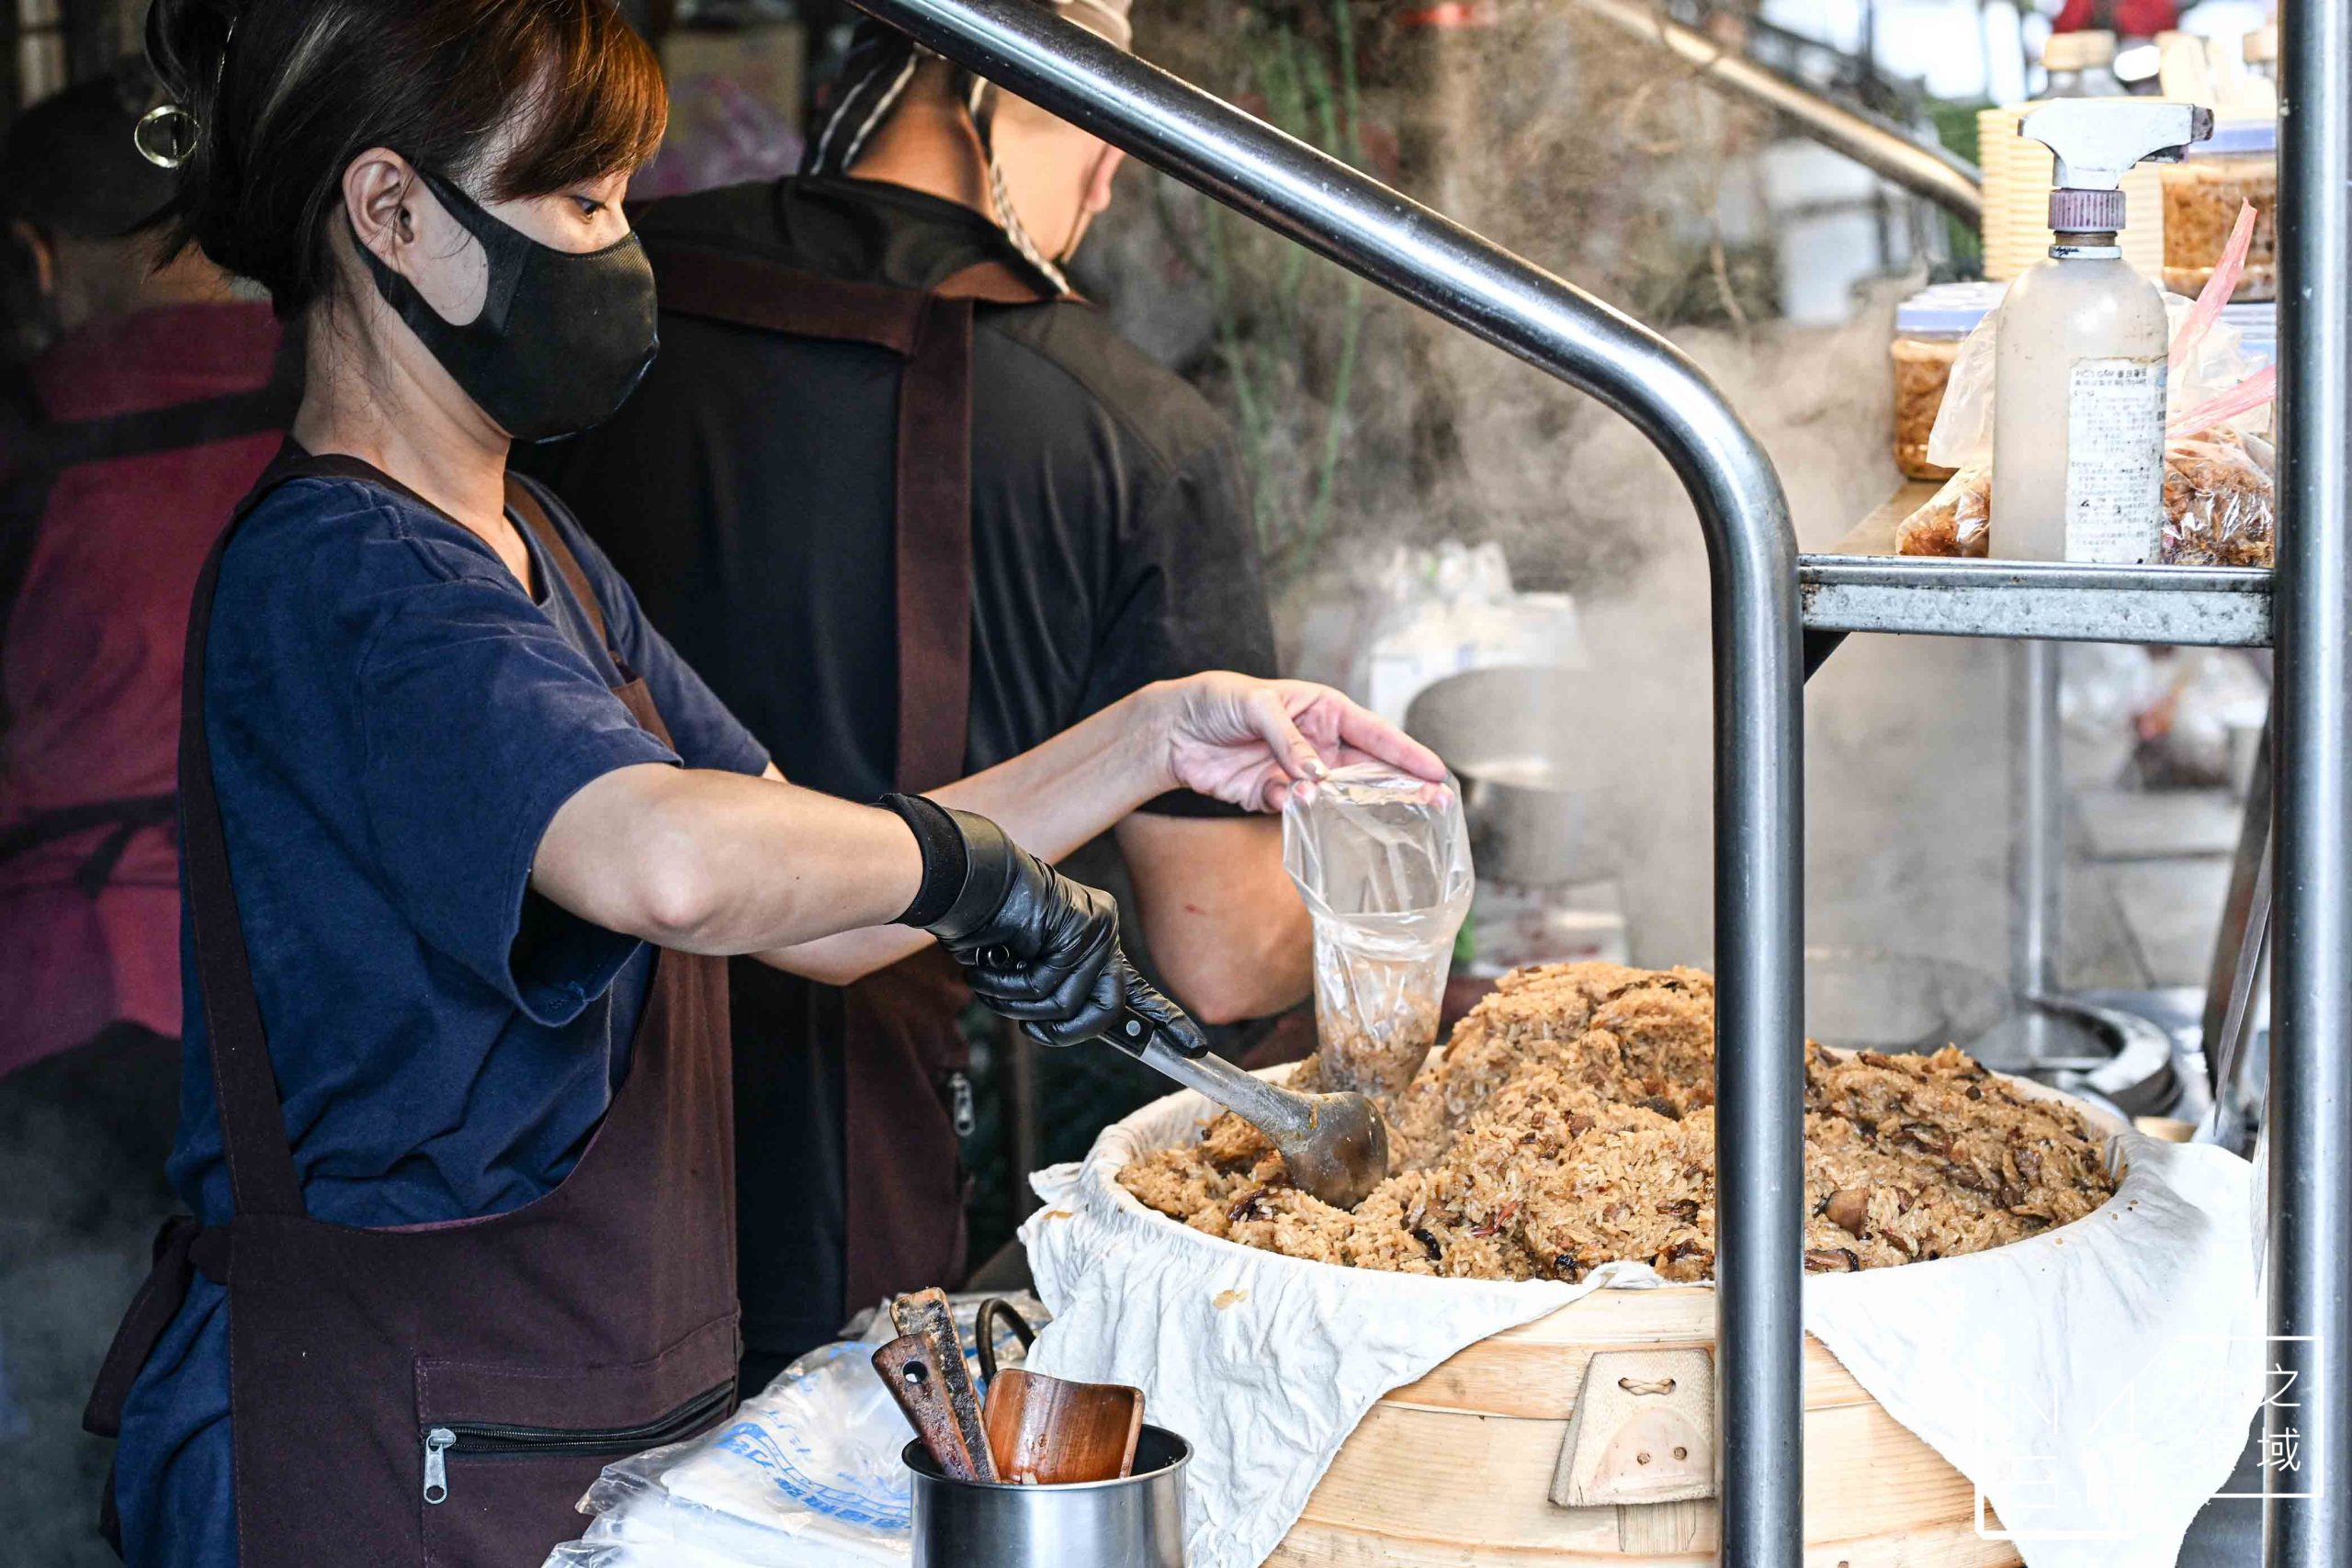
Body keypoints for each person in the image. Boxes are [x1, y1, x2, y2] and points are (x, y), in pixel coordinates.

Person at [84, 3, 1438, 1564]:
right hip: (378, 1456)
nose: (620, 250)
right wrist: (976, 875)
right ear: (391, 211)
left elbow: (826, 908)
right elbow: (671, 864)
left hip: (541, 1426)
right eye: (583, 204)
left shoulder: (538, 554)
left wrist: (1150, 734)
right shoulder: (348, 576)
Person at [527, 0, 1317, 1385]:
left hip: (557, 1172)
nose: (1114, 169)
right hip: (896, 1192)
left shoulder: (598, 317)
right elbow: (1224, 955)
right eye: (1102, 114)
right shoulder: (1132, 427)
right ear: (998, 88)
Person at [0, 62, 293, 1568]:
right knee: (254, 1385)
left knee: (63, 1378)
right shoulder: (345, 408)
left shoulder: (29, 431)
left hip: (57, 998)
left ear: (43, 257)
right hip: (289, 1008)